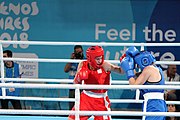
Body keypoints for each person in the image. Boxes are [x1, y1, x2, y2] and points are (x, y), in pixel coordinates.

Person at [68, 45, 123, 120]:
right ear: (90, 58)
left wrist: (124, 64)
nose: (100, 61)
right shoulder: (82, 64)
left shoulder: (105, 65)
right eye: (97, 59)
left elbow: (120, 71)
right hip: (85, 98)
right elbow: (75, 83)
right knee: (72, 119)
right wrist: (79, 77)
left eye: (101, 58)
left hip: (100, 100)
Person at [120, 46, 167, 120]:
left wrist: (128, 70)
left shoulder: (148, 70)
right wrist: (130, 64)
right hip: (159, 104)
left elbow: (133, 86)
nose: (138, 66)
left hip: (153, 104)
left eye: (138, 64)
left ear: (143, 61)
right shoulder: (156, 69)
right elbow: (136, 78)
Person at [64, 45, 84, 110]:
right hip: (72, 86)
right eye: (77, 52)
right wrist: (71, 60)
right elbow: (65, 70)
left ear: (82, 52)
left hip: (82, 87)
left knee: (82, 106)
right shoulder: (72, 61)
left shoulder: (85, 61)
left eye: (80, 52)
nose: (78, 54)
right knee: (72, 106)